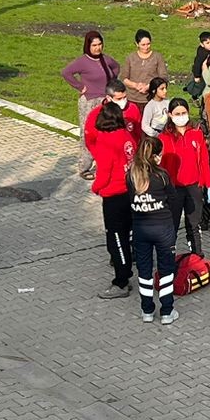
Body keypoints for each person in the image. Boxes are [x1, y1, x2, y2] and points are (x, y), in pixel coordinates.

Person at [85, 100, 138, 299]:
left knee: (116, 239)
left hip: (114, 196)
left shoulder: (106, 141)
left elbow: (104, 172)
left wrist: (95, 187)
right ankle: (128, 269)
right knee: (128, 234)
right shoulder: (126, 136)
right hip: (130, 191)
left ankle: (121, 281)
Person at [128, 135, 180, 324]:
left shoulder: (131, 175)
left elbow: (129, 202)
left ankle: (147, 310)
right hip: (163, 229)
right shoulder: (162, 176)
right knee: (166, 270)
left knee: (144, 270)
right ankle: (167, 311)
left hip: (140, 230)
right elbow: (174, 202)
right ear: (157, 155)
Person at [61, 30, 120, 180]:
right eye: (94, 45)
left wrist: (111, 83)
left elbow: (116, 67)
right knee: (87, 133)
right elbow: (66, 73)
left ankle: (103, 165)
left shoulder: (106, 59)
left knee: (104, 133)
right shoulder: (82, 61)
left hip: (105, 101)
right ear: (88, 46)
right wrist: (80, 87)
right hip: (89, 101)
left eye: (100, 44)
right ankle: (85, 166)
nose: (97, 48)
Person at [159, 98, 210, 257]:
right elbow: (161, 166)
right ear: (170, 115)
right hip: (174, 189)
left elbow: (204, 160)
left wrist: (209, 184)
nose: (181, 116)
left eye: (184, 113)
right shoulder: (164, 138)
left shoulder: (196, 134)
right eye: (177, 114)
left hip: (194, 186)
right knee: (172, 224)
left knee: (194, 224)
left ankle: (197, 256)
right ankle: (168, 257)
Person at [124, 30, 169, 105]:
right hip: (132, 99)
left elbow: (163, 77)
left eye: (148, 44)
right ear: (137, 44)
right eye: (143, 45)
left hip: (152, 98)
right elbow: (124, 78)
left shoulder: (157, 57)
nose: (146, 47)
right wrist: (136, 85)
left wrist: (149, 86)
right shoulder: (130, 58)